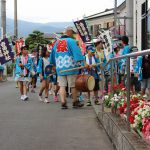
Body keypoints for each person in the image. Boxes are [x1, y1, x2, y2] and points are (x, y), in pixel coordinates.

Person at [50, 26, 84, 109]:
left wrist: (54, 65)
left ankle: (63, 102)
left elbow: (52, 56)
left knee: (62, 86)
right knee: (73, 86)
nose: (72, 33)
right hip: (71, 66)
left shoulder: (56, 43)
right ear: (69, 32)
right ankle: (75, 102)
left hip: (60, 67)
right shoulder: (71, 41)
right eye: (72, 32)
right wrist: (82, 62)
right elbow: (77, 53)